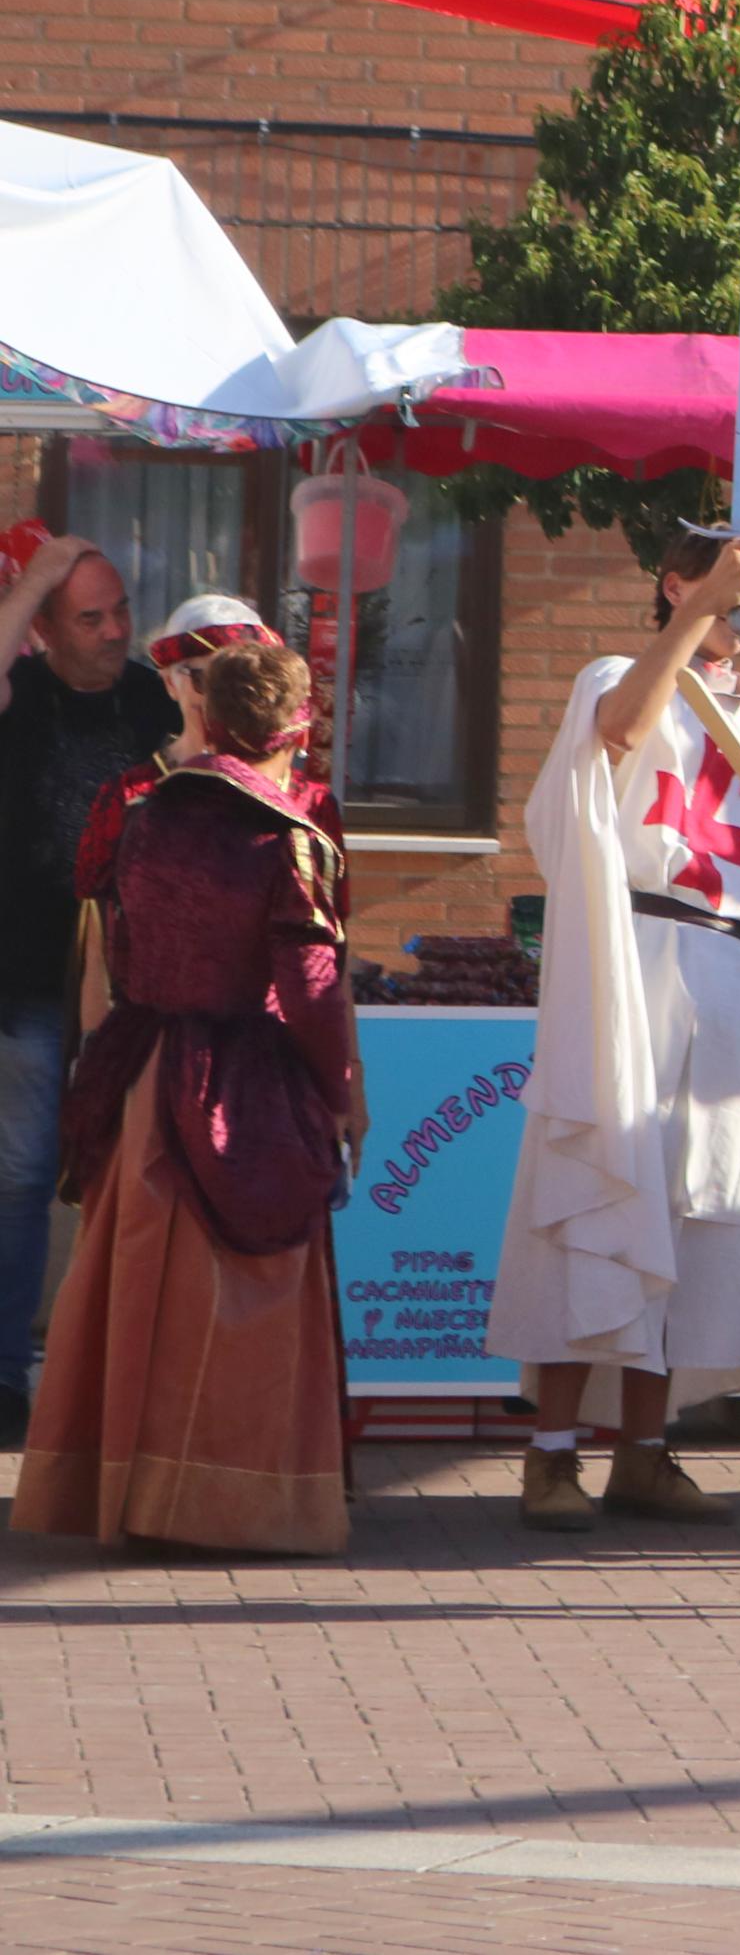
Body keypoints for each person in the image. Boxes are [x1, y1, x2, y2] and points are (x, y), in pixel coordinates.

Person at [486, 530, 740, 1531]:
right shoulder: (620, 674)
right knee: (596, 1198)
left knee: (692, 1221)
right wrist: (693, 616)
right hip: (635, 965)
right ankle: (550, 1455)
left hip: (735, 984)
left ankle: (644, 1450)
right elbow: (617, 737)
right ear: (675, 586)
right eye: (726, 588)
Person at [15, 641, 361, 1555]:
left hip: (143, 1064)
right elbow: (312, 982)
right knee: (243, 1297)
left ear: (207, 717)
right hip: (248, 1077)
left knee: (137, 1288)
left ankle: (123, 1488)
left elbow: (113, 947)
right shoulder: (290, 836)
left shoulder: (143, 813)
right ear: (295, 727)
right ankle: (227, 1502)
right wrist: (342, 1094)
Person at [0, 526, 175, 1450]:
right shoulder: (20, 689)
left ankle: (116, 1374)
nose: (114, 631)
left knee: (133, 1173)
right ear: (46, 628)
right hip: (25, 974)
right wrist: (32, 581)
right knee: (23, 1176)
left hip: (138, 982)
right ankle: (4, 1380)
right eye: (91, 616)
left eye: (121, 611)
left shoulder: (146, 697)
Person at [73, 595, 288, 1037]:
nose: (220, 696)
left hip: (265, 1045)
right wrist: (99, 1058)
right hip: (157, 1045)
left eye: (237, 676)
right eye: (202, 676)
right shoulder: (129, 796)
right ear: (170, 683)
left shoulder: (296, 800)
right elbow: (98, 943)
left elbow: (324, 950)